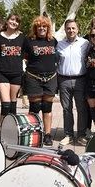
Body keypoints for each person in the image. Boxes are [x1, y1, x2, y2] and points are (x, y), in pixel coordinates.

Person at [24, 16, 58, 146]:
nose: (41, 28)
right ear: (35, 28)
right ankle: (34, 134)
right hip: (34, 78)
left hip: (50, 78)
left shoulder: (53, 41)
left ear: (48, 28)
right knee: (35, 108)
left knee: (47, 108)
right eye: (39, 26)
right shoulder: (28, 41)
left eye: (44, 26)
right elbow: (25, 57)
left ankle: (47, 134)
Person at [57, 19, 91, 146]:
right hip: (63, 80)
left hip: (80, 80)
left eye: (73, 28)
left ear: (77, 29)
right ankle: (68, 135)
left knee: (81, 109)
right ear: (65, 30)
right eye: (68, 28)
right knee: (66, 109)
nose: (71, 30)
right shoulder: (59, 44)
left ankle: (81, 135)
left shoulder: (85, 43)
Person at [0, 14, 25, 123]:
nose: (14, 22)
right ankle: (3, 132)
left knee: (13, 104)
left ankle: (12, 131)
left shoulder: (22, 38)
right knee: (6, 105)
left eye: (17, 21)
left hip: (16, 74)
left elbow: (28, 54)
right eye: (12, 19)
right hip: (1, 73)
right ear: (7, 21)